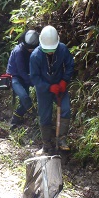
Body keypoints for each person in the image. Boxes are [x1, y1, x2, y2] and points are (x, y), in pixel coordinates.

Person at [30, 25, 74, 154]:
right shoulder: (35, 56)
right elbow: (34, 78)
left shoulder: (62, 49)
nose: (50, 52)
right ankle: (46, 144)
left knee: (65, 109)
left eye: (52, 49)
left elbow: (70, 65)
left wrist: (64, 80)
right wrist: (48, 87)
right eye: (47, 50)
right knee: (45, 116)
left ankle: (61, 140)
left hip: (60, 86)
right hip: (43, 90)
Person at [6, 30, 39, 129]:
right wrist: (33, 83)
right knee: (25, 97)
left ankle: (14, 120)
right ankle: (34, 114)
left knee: (24, 104)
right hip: (14, 77)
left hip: (25, 76)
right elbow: (21, 71)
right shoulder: (19, 51)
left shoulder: (34, 49)